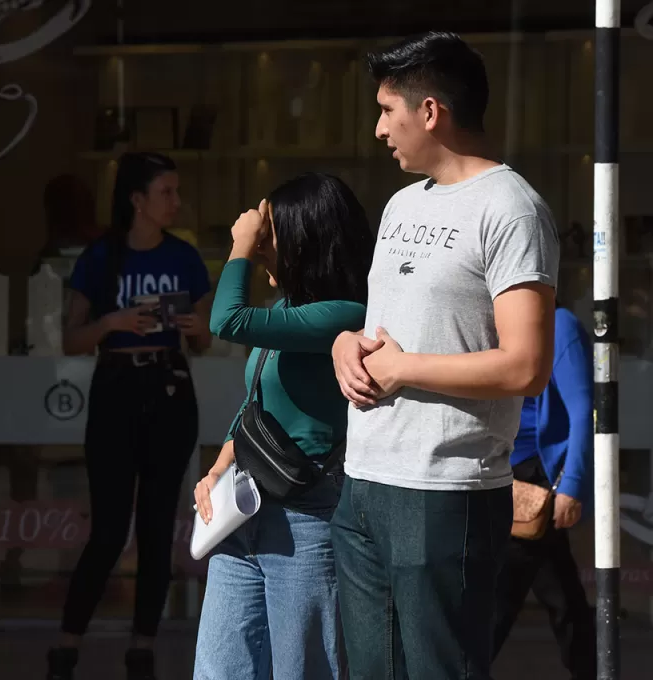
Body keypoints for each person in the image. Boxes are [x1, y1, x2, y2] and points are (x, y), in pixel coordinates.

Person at [329, 32, 559, 680]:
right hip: (366, 479)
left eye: (386, 110)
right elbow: (386, 325)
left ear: (430, 111)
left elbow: (525, 365)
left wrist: (403, 368)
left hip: (444, 491)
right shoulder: (403, 204)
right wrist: (348, 344)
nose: (378, 129)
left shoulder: (511, 209)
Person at [192, 174, 374, 680]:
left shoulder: (344, 316)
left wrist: (240, 246)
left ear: (304, 239)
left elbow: (225, 321)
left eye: (271, 233)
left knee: (305, 668)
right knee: (220, 670)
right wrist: (218, 468)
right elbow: (256, 406)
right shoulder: (283, 311)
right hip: (244, 510)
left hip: (306, 516)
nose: (262, 244)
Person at [49, 151, 214, 680]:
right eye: (166, 192)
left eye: (177, 191)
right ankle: (66, 644)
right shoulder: (102, 257)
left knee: (157, 525)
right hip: (117, 385)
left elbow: (205, 342)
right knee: (109, 527)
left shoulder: (185, 258)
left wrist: (192, 326)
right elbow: (70, 338)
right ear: (137, 200)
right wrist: (115, 321)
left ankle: (143, 645)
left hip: (168, 384)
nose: (176, 201)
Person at [492, 304, 595, 679]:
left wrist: (572, 485)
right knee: (563, 595)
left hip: (532, 478)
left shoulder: (559, 323)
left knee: (500, 596)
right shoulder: (496, 320)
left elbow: (584, 408)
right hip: (498, 469)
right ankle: (592, 670)